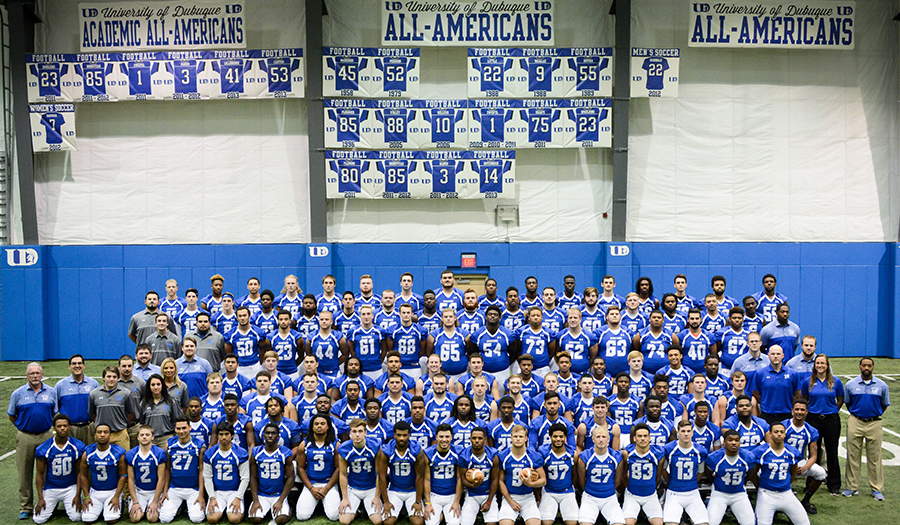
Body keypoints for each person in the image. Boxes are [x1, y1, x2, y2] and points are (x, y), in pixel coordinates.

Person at [843, 357, 890, 500]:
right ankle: (851, 487)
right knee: (852, 455)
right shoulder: (851, 384)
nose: (866, 368)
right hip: (855, 421)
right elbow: (848, 403)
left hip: (874, 423)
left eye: (869, 365)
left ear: (873, 367)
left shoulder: (882, 386)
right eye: (864, 365)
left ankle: (876, 489)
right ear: (860, 367)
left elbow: (884, 405)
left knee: (875, 456)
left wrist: (873, 415)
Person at [801, 353, 843, 495]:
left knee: (832, 452)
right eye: (817, 363)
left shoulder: (836, 381)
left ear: (827, 365)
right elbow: (805, 399)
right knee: (814, 452)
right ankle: (811, 484)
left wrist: (831, 411)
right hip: (813, 420)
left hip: (831, 420)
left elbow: (840, 399)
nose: (820, 366)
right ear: (814, 365)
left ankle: (834, 485)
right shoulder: (808, 382)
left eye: (823, 363)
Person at [752, 422, 809, 525]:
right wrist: (759, 488)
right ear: (770, 434)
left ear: (785, 434)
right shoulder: (761, 451)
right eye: (776, 432)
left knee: (804, 522)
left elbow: (793, 472)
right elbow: (753, 473)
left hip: (786, 493)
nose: (779, 434)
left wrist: (786, 484)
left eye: (781, 432)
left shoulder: (792, 452)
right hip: (767, 493)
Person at [33, 415, 85, 524]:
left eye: (65, 426)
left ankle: (65, 504)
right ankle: (53, 504)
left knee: (76, 517)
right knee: (38, 519)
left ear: (69, 427)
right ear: (54, 428)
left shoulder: (77, 446)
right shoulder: (45, 448)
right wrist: (40, 497)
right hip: (51, 488)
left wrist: (77, 495)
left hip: (70, 487)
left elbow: (80, 472)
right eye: (59, 426)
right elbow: (39, 474)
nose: (62, 428)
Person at [704, 430, 757, 525]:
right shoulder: (715, 457)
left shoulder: (747, 457)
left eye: (736, 440)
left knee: (750, 522)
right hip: (719, 493)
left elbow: (752, 472)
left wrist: (743, 482)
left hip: (739, 494)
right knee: (711, 522)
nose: (733, 443)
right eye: (730, 440)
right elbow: (708, 474)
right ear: (724, 442)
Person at [160, 416, 207, 524]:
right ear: (175, 429)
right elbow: (167, 470)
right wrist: (165, 491)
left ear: (190, 427)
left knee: (197, 519)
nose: (181, 431)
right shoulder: (170, 444)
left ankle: (184, 507)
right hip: (175, 488)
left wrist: (201, 494)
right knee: (164, 519)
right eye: (178, 428)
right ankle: (180, 508)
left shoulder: (199, 445)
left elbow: (201, 470)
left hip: (193, 488)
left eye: (184, 428)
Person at [783, 399, 827, 514]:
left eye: (802, 410)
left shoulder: (811, 430)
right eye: (797, 409)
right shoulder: (784, 426)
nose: (799, 412)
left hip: (799, 462)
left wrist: (804, 467)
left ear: (807, 412)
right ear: (792, 411)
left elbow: (814, 456)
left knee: (821, 473)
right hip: (782, 462)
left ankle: (806, 500)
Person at [661, 420, 709, 525]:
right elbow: (663, 470)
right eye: (683, 431)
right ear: (678, 433)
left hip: (693, 492)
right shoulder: (669, 449)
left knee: (703, 523)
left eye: (688, 431)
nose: (686, 434)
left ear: (692, 432)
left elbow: (700, 472)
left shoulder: (700, 451)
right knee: (670, 523)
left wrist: (690, 483)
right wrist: (671, 483)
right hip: (674, 493)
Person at [338, 418, 384, 525]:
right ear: (350, 433)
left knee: (378, 521)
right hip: (354, 487)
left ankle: (363, 508)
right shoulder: (344, 449)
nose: (357, 435)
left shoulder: (375, 446)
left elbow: (379, 473)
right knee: (344, 521)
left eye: (360, 431)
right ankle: (359, 510)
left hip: (371, 487)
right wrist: (345, 498)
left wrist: (377, 496)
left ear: (365, 432)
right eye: (354, 432)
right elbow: (343, 474)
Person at [378, 421, 425, 525]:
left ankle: (404, 509)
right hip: (395, 489)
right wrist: (385, 501)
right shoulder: (387, 450)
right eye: (398, 435)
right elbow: (382, 476)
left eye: (404, 435)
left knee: (418, 522)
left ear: (409, 435)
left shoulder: (416, 450)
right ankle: (402, 509)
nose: (401, 438)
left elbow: (420, 476)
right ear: (394, 435)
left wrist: (418, 501)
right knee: (388, 522)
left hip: (412, 489)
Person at [576, 425, 625, 525]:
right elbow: (581, 479)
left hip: (610, 497)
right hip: (590, 497)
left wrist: (609, 490)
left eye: (604, 437)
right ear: (593, 439)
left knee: (619, 523)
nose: (601, 440)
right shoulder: (585, 456)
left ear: (608, 440)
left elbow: (618, 478)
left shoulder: (616, 457)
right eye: (598, 437)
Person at [79, 423, 127, 524]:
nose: (102, 435)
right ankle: (101, 509)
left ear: (110, 435)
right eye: (99, 432)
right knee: (87, 520)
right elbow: (83, 475)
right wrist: (86, 496)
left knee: (111, 519)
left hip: (112, 491)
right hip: (95, 491)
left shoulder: (118, 452)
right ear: (95, 435)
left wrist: (116, 496)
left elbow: (123, 476)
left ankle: (114, 506)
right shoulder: (87, 453)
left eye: (106, 432)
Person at [203, 421, 250, 524]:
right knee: (212, 519)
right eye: (221, 434)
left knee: (234, 519)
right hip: (217, 492)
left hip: (234, 491)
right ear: (217, 436)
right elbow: (207, 477)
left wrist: (238, 497)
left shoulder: (241, 453)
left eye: (226, 434)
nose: (224, 437)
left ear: (232, 435)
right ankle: (222, 509)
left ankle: (234, 508)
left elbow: (245, 478)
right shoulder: (210, 453)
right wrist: (212, 498)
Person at [296, 414, 341, 521]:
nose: (319, 426)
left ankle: (324, 502)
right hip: (311, 483)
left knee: (334, 516)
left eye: (322, 424)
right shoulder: (304, 444)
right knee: (302, 516)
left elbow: (339, 468)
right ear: (312, 427)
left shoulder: (335, 444)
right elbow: (300, 468)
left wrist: (326, 488)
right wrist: (311, 488)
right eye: (316, 424)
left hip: (329, 483)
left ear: (328, 426)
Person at [247, 423, 294, 525]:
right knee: (255, 519)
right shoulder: (256, 452)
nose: (270, 435)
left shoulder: (285, 453)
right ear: (263, 435)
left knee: (280, 520)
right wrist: (255, 501)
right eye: (267, 433)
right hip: (262, 494)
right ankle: (268, 511)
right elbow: (253, 477)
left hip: (278, 494)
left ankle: (289, 508)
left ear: (278, 436)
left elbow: (291, 477)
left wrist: (280, 500)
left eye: (273, 433)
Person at [498, 425, 545, 525]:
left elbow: (543, 480)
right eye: (515, 436)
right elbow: (500, 481)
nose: (518, 439)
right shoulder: (503, 456)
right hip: (510, 497)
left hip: (528, 497)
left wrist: (531, 484)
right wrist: (510, 501)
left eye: (521, 436)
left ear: (526, 438)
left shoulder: (533, 456)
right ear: (511, 438)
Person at [622, 423, 664, 525]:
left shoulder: (657, 453)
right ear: (634, 438)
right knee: (627, 523)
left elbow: (658, 474)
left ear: (649, 438)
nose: (642, 439)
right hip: (632, 495)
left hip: (650, 495)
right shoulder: (628, 453)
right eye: (639, 436)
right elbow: (623, 473)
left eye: (645, 436)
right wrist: (627, 486)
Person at [125, 425, 167, 523]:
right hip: (139, 491)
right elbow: (130, 479)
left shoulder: (159, 453)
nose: (144, 437)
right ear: (138, 437)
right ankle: (134, 503)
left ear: (152, 437)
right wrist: (135, 502)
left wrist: (154, 502)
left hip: (154, 491)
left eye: (147, 435)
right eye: (142, 435)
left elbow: (162, 479)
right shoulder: (132, 454)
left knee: (152, 518)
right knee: (134, 518)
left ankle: (148, 508)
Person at [537, 423, 577, 525]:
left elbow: (575, 474)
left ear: (565, 437)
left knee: (572, 522)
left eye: (561, 436)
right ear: (550, 437)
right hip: (549, 491)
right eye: (555, 436)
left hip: (567, 491)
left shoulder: (572, 453)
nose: (558, 439)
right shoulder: (543, 452)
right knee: (546, 522)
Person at [90, 366, 137, 451]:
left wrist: (122, 424)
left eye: (114, 377)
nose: (111, 379)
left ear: (118, 378)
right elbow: (92, 413)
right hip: (102, 434)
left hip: (120, 434)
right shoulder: (94, 394)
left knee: (124, 460)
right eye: (108, 376)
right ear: (104, 378)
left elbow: (131, 413)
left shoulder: (126, 393)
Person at [458, 426, 499, 525]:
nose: (477, 441)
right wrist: (472, 485)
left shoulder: (493, 455)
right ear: (470, 439)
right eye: (474, 438)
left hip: (488, 494)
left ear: (485, 439)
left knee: (492, 523)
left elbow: (495, 480)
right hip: (471, 494)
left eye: (480, 438)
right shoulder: (464, 456)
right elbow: (462, 478)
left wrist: (489, 502)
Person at [423, 424, 463, 525]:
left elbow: (459, 478)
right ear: (436, 437)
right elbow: (427, 479)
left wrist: (456, 501)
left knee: (455, 523)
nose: (444, 440)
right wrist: (428, 503)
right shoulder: (428, 453)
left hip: (451, 495)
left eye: (447, 436)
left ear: (452, 437)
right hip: (434, 495)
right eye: (441, 436)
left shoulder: (458, 452)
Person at [56, 354, 99, 446]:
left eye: (79, 363)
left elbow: (97, 406)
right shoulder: (60, 385)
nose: (77, 366)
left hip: (89, 428)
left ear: (84, 366)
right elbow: (56, 406)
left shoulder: (93, 384)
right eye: (74, 364)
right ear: (69, 367)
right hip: (69, 429)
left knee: (88, 455)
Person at [750, 345, 801, 424]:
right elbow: (756, 394)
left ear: (783, 356)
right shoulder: (760, 373)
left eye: (778, 354)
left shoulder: (792, 373)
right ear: (768, 355)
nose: (775, 356)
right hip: (767, 415)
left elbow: (797, 394)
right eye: (773, 354)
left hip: (787, 414)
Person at [470, 308, 516, 390]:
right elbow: (472, 353)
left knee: (501, 398)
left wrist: (503, 362)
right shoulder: (477, 334)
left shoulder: (508, 334)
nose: (492, 316)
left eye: (495, 314)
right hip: (484, 372)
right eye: (490, 314)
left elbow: (514, 352)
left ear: (500, 317)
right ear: (486, 317)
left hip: (502, 371)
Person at [225, 306, 270, 378]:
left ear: (249, 316)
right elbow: (229, 353)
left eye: (244, 315)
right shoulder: (231, 334)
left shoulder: (258, 332)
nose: (242, 318)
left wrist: (259, 361)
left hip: (255, 366)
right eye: (240, 316)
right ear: (236, 317)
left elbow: (263, 350)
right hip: (239, 367)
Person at [427, 309, 471, 383]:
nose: (448, 319)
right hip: (440, 376)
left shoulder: (464, 334)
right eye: (446, 317)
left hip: (461, 374)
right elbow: (429, 354)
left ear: (455, 318)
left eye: (450, 316)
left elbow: (470, 352)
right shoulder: (434, 335)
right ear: (442, 318)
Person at [388, 303, 428, 379]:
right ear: (399, 314)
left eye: (408, 312)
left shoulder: (420, 330)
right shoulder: (393, 330)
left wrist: (414, 357)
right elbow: (390, 349)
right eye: (403, 313)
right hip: (398, 367)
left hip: (414, 366)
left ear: (412, 314)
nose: (406, 315)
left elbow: (423, 349)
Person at [140, 373, 181, 447]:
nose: (156, 387)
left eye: (158, 384)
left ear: (162, 385)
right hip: (149, 439)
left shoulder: (171, 401)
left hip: (166, 438)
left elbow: (175, 420)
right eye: (153, 385)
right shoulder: (143, 403)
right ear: (149, 386)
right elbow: (142, 422)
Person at [307, 310, 350, 377]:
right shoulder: (311, 337)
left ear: (331, 321)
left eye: (326, 319)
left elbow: (345, 354)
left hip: (334, 372)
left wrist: (335, 364)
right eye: (321, 319)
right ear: (319, 321)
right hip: (316, 372)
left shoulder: (338, 336)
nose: (324, 321)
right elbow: (308, 355)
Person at [557, 308, 597, 375]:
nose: (573, 320)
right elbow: (557, 354)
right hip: (566, 373)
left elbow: (593, 356)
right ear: (567, 319)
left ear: (580, 319)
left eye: (575, 318)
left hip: (583, 372)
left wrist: (584, 366)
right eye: (570, 318)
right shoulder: (561, 335)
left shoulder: (589, 336)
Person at [677, 308, 717, 373]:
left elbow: (713, 356)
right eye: (692, 319)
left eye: (697, 318)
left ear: (701, 320)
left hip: (704, 371)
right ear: (688, 320)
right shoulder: (681, 336)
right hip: (686, 371)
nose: (694, 321)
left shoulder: (709, 336)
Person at [596, 305, 632, 377]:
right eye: (612, 314)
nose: (614, 316)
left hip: (625, 373)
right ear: (607, 317)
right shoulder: (599, 332)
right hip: (604, 373)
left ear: (620, 316)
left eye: (616, 314)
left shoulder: (628, 332)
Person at [609, 373, 641, 447]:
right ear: (616, 384)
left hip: (630, 434)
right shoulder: (609, 401)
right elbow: (609, 422)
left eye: (626, 382)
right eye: (621, 382)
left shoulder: (637, 402)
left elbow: (639, 423)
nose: (623, 384)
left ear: (630, 384)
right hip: (615, 434)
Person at [717, 307, 749, 376]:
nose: (737, 320)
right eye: (734, 318)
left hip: (745, 369)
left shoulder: (748, 334)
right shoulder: (722, 333)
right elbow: (715, 350)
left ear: (743, 319)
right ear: (730, 319)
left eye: (739, 318)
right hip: (726, 369)